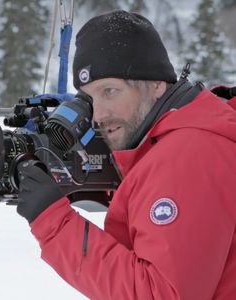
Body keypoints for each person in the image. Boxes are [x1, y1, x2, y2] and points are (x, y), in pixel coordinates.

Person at [16, 10, 236, 299]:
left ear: (156, 84)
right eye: (89, 98)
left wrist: (53, 222)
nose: (100, 114)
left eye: (110, 91)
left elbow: (160, 294)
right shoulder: (177, 138)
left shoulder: (187, 155)